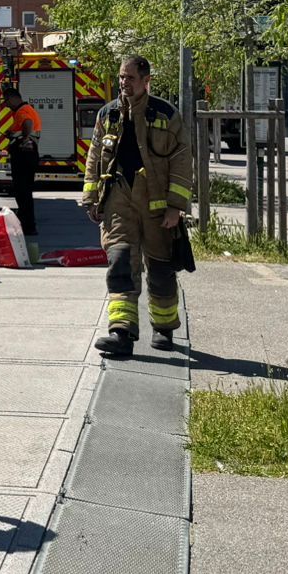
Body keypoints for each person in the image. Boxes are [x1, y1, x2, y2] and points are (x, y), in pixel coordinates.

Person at [83, 54, 194, 357]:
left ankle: (164, 328)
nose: (124, 83)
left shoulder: (165, 114)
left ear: (146, 81)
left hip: (158, 208)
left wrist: (175, 206)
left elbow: (182, 160)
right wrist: (91, 197)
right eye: (121, 77)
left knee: (159, 270)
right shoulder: (108, 114)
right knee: (120, 263)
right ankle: (121, 332)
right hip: (119, 201)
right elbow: (94, 156)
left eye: (130, 78)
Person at [2, 85, 44, 237]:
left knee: (22, 191)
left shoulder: (22, 111)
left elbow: (28, 124)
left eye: (7, 101)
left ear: (14, 98)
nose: (6, 105)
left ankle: (28, 226)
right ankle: (27, 224)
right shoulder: (26, 109)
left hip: (24, 156)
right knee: (24, 192)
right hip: (29, 155)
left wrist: (24, 139)